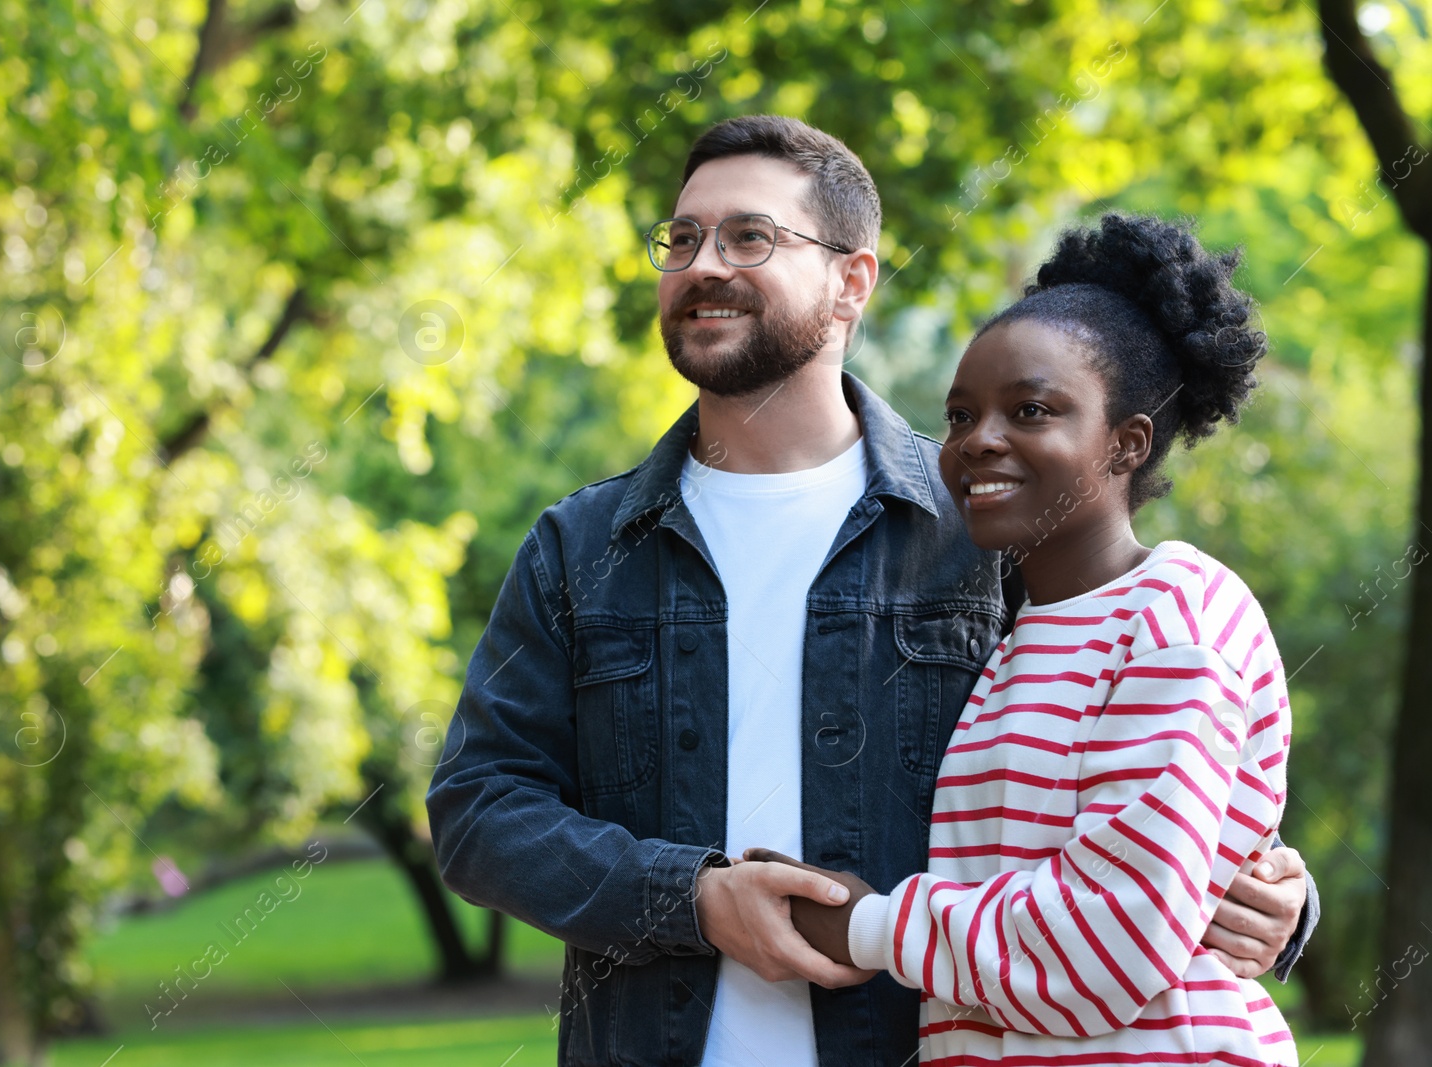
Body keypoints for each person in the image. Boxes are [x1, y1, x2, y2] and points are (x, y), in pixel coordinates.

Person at [425, 115, 1315, 1066]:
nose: (701, 264)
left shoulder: (993, 518)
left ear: (853, 279)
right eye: (681, 239)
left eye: (749, 236)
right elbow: (480, 808)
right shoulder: (581, 546)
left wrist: (1281, 896)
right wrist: (691, 898)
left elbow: (1150, 772)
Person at [753, 213, 1300, 1064]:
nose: (979, 441)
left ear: (1127, 442)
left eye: (1032, 409)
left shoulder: (1175, 619)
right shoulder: (1015, 633)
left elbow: (1107, 944)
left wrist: (867, 924)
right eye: (961, 414)